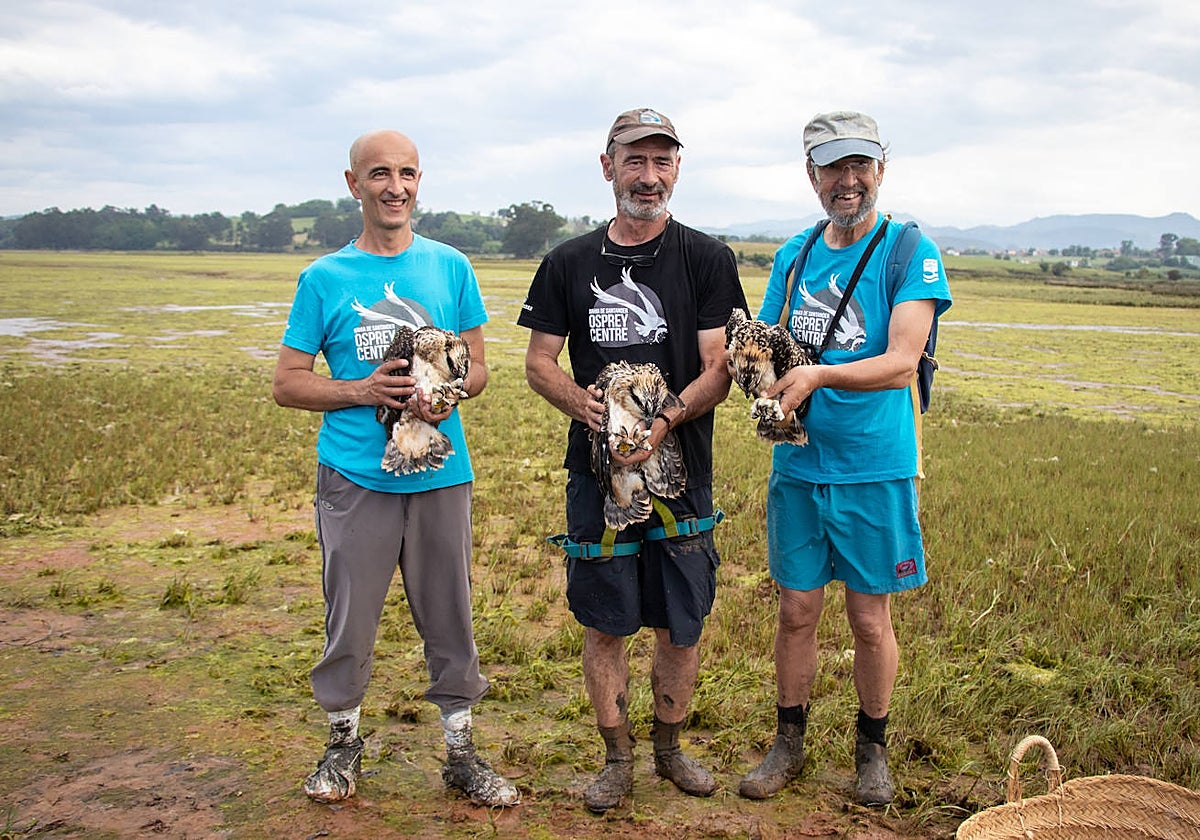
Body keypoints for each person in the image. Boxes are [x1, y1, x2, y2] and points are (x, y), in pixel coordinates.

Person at [272, 129, 519, 809]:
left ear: (419, 181)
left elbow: (481, 369)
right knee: (350, 618)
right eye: (379, 174)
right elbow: (288, 383)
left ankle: (462, 754)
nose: (395, 187)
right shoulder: (323, 278)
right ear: (354, 184)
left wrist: (445, 389)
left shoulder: (449, 266)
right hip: (356, 478)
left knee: (451, 617)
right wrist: (360, 390)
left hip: (441, 474)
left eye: (407, 173)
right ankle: (342, 745)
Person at [518, 108, 748, 813]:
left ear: (677, 169)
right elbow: (538, 363)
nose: (649, 177)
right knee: (605, 619)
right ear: (608, 165)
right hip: (598, 477)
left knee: (682, 620)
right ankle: (616, 758)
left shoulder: (707, 259)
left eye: (662, 162)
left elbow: (721, 367)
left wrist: (666, 419)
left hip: (683, 470)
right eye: (635, 161)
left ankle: (670, 750)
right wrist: (582, 406)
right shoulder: (567, 262)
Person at [736, 111, 952, 806]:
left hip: (874, 464)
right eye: (833, 167)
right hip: (799, 467)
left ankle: (872, 750)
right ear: (812, 175)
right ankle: (788, 743)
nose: (848, 180)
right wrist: (758, 376)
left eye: (860, 166)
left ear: (881, 171)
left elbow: (899, 361)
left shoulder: (908, 251)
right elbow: (767, 343)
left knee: (868, 619)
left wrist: (818, 377)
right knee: (796, 610)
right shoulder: (796, 255)